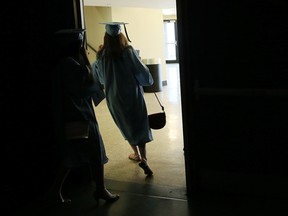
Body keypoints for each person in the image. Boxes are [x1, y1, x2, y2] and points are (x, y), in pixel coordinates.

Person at [51, 28, 119, 204]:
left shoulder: (62, 63)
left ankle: (56, 191)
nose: (83, 47)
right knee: (96, 151)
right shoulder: (69, 65)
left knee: (71, 155)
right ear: (75, 46)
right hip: (79, 116)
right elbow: (85, 86)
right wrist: (86, 61)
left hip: (71, 114)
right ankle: (100, 190)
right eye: (80, 44)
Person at [92, 22, 154, 176]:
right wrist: (148, 80)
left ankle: (136, 154)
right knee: (139, 123)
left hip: (114, 96)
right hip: (132, 94)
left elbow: (100, 79)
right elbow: (140, 71)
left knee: (126, 124)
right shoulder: (128, 51)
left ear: (105, 37)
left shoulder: (101, 54)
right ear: (121, 36)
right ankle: (144, 158)